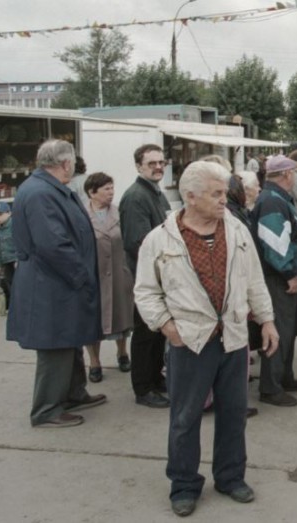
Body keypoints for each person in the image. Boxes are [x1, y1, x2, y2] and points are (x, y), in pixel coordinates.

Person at [133, 161, 279, 517]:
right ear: (190, 197)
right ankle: (183, 485)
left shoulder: (237, 230)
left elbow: (254, 279)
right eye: (216, 194)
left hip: (233, 338)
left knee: (233, 414)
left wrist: (267, 320)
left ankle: (230, 477)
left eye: (224, 193)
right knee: (185, 418)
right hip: (190, 343)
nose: (223, 200)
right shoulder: (160, 240)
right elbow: (145, 292)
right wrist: (167, 327)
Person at [6, 140, 106, 428]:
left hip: (59, 281)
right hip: (52, 284)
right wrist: (81, 276)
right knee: (55, 346)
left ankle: (73, 394)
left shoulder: (47, 188)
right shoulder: (40, 193)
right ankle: (47, 410)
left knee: (69, 339)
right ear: (65, 163)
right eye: (72, 161)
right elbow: (53, 245)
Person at [250, 154, 297, 407]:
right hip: (278, 279)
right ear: (287, 174)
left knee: (288, 329)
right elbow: (274, 244)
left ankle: (284, 377)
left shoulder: (275, 199)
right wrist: (290, 273)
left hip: (281, 276)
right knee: (279, 330)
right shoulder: (272, 202)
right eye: (295, 173)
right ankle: (271, 387)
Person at [119, 143, 172, 408]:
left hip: (161, 277)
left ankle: (154, 378)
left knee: (158, 333)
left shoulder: (156, 193)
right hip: (147, 278)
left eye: (161, 162)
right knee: (145, 334)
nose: (158, 167)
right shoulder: (136, 196)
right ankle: (143, 388)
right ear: (139, 165)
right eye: (152, 163)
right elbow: (137, 242)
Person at [82, 173, 134, 383]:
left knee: (121, 317)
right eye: (106, 189)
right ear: (91, 192)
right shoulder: (81, 215)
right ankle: (94, 362)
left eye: (112, 188)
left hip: (118, 273)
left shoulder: (120, 212)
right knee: (93, 322)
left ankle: (122, 353)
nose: (111, 193)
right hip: (94, 275)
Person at [0, 202, 15, 308]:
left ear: (9, 213)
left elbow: (23, 243)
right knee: (10, 288)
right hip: (6, 263)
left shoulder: (16, 226)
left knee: (22, 287)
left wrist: (20, 259)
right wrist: (0, 265)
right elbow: (0, 250)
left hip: (17, 262)